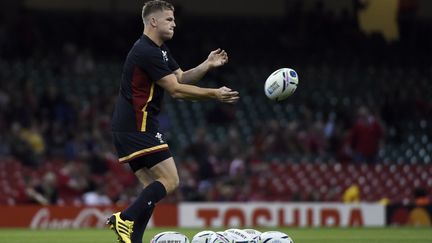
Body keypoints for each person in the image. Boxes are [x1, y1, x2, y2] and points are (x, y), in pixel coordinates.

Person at [106, 1, 239, 243]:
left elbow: (180, 77)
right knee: (171, 180)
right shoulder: (146, 51)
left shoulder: (160, 50)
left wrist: (207, 65)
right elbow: (176, 90)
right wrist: (214, 94)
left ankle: (133, 239)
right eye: (169, 19)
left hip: (128, 126)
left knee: (152, 187)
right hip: (139, 124)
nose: (174, 23)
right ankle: (125, 218)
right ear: (153, 21)